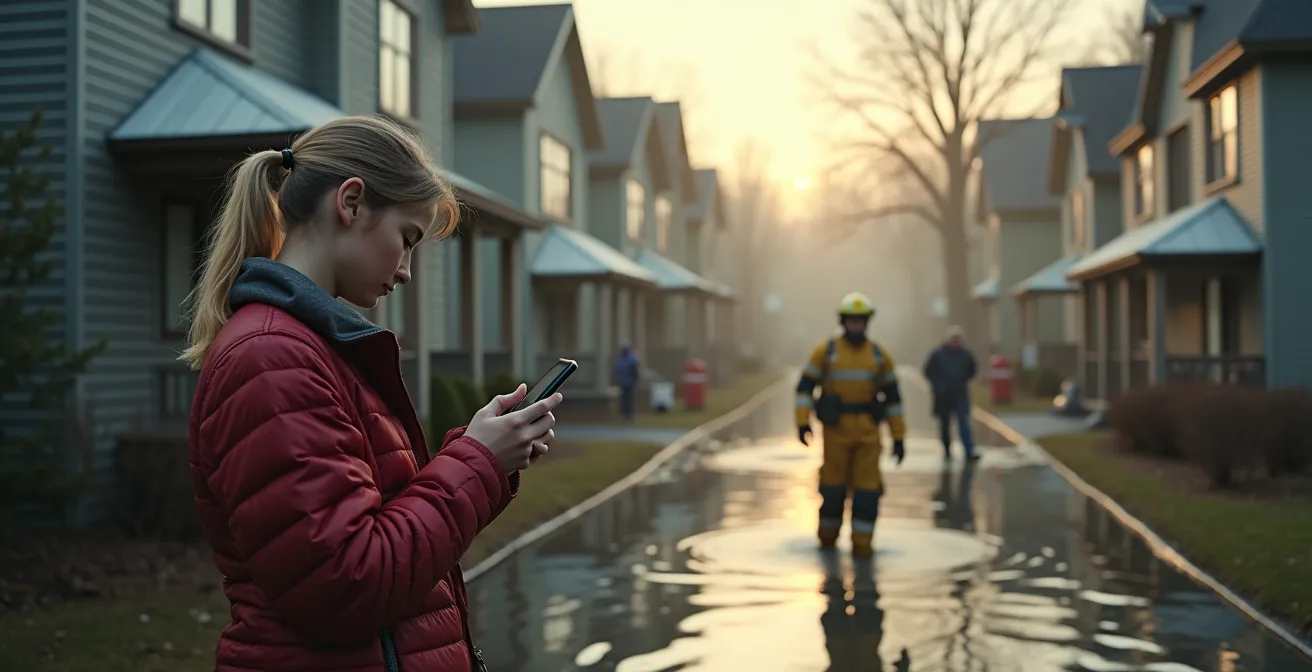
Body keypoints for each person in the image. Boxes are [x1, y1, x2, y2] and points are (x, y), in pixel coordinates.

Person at [182, 115, 561, 672]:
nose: (406, 271)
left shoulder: (320, 350)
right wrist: (476, 463)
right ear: (352, 202)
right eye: (407, 239)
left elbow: (381, 521)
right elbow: (346, 584)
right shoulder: (272, 359)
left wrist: (482, 450)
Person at [796, 292, 907, 557]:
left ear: (867, 322)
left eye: (860, 320)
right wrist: (802, 423)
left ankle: (863, 547)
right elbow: (804, 388)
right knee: (832, 491)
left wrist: (899, 437)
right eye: (851, 320)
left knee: (868, 494)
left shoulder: (879, 356)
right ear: (843, 321)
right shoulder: (826, 352)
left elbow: (893, 400)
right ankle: (827, 544)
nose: (856, 325)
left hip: (868, 434)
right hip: (836, 433)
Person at [923, 325, 979, 461]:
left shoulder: (966, 354)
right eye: (953, 339)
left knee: (963, 422)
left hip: (960, 393)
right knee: (944, 424)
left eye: (958, 339)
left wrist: (963, 380)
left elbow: (972, 370)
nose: (955, 342)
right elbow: (928, 371)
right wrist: (937, 384)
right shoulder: (938, 354)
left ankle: (969, 450)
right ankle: (947, 449)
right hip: (943, 396)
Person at [614, 341, 640, 422]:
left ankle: (630, 415)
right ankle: (624, 415)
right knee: (623, 400)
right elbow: (617, 371)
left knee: (630, 399)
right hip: (622, 382)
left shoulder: (632, 359)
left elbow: (635, 371)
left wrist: (635, 380)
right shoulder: (620, 359)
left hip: (630, 382)